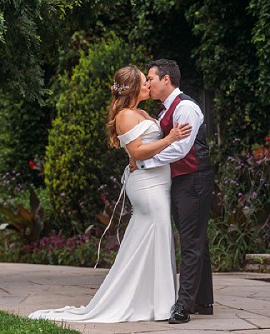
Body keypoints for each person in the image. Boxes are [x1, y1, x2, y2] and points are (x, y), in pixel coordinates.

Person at [28, 65, 192, 323]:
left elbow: (143, 149)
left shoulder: (142, 112)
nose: (149, 85)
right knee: (157, 235)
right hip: (147, 186)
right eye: (144, 82)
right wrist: (170, 138)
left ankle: (156, 302)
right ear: (134, 88)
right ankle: (158, 304)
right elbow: (137, 152)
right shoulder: (125, 116)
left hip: (158, 182)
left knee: (155, 239)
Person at [131, 59, 214, 324]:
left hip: (195, 179)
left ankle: (183, 306)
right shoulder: (165, 110)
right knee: (197, 239)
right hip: (181, 180)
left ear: (166, 79)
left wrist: (145, 163)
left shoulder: (186, 107)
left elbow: (181, 149)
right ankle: (203, 301)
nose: (148, 84)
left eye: (151, 79)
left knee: (191, 242)